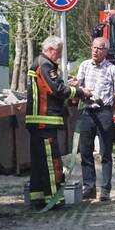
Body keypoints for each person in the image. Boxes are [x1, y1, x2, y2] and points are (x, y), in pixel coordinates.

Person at [25, 36, 79, 211]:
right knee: (51, 162)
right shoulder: (45, 64)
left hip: (37, 121)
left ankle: (37, 197)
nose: (60, 55)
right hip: (44, 122)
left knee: (38, 162)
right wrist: (79, 92)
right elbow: (56, 90)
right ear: (51, 49)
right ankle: (54, 199)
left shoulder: (40, 63)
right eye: (59, 52)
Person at [76, 36, 115, 202]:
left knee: (105, 153)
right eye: (93, 47)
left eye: (99, 48)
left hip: (104, 112)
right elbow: (77, 86)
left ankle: (105, 190)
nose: (95, 51)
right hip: (87, 112)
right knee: (85, 151)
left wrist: (112, 111)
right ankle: (89, 188)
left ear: (106, 51)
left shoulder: (112, 69)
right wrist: (76, 86)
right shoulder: (84, 65)